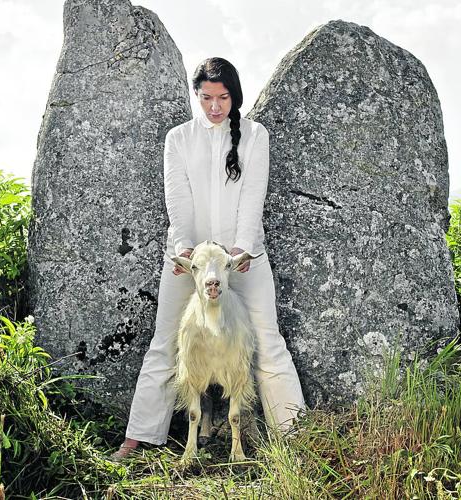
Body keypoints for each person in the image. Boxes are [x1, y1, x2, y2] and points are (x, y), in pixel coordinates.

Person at [111, 57, 305, 460]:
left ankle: (296, 439)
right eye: (206, 97)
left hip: (244, 260)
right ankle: (139, 437)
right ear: (196, 95)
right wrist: (184, 248)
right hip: (189, 264)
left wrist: (244, 247)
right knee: (165, 342)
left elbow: (254, 196)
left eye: (223, 97)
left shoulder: (254, 135)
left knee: (268, 342)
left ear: (234, 95)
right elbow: (177, 197)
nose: (215, 107)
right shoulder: (178, 139)